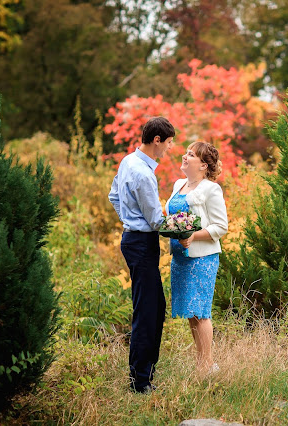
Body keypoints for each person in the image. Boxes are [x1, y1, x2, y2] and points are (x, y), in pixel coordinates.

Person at [108, 117, 175, 393]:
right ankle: (140, 381)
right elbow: (157, 221)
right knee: (148, 311)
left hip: (133, 240)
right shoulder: (144, 174)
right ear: (156, 140)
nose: (170, 149)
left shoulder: (127, 161)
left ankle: (144, 372)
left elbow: (113, 196)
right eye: (169, 143)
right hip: (141, 243)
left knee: (155, 307)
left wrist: (128, 220)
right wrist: (185, 227)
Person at [164, 141, 228, 376]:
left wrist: (192, 235)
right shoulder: (178, 184)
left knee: (200, 311)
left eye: (190, 155)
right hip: (180, 257)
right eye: (186, 152)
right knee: (191, 312)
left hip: (202, 258)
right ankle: (202, 363)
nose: (184, 156)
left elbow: (221, 227)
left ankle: (207, 366)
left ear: (203, 165)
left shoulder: (211, 189)